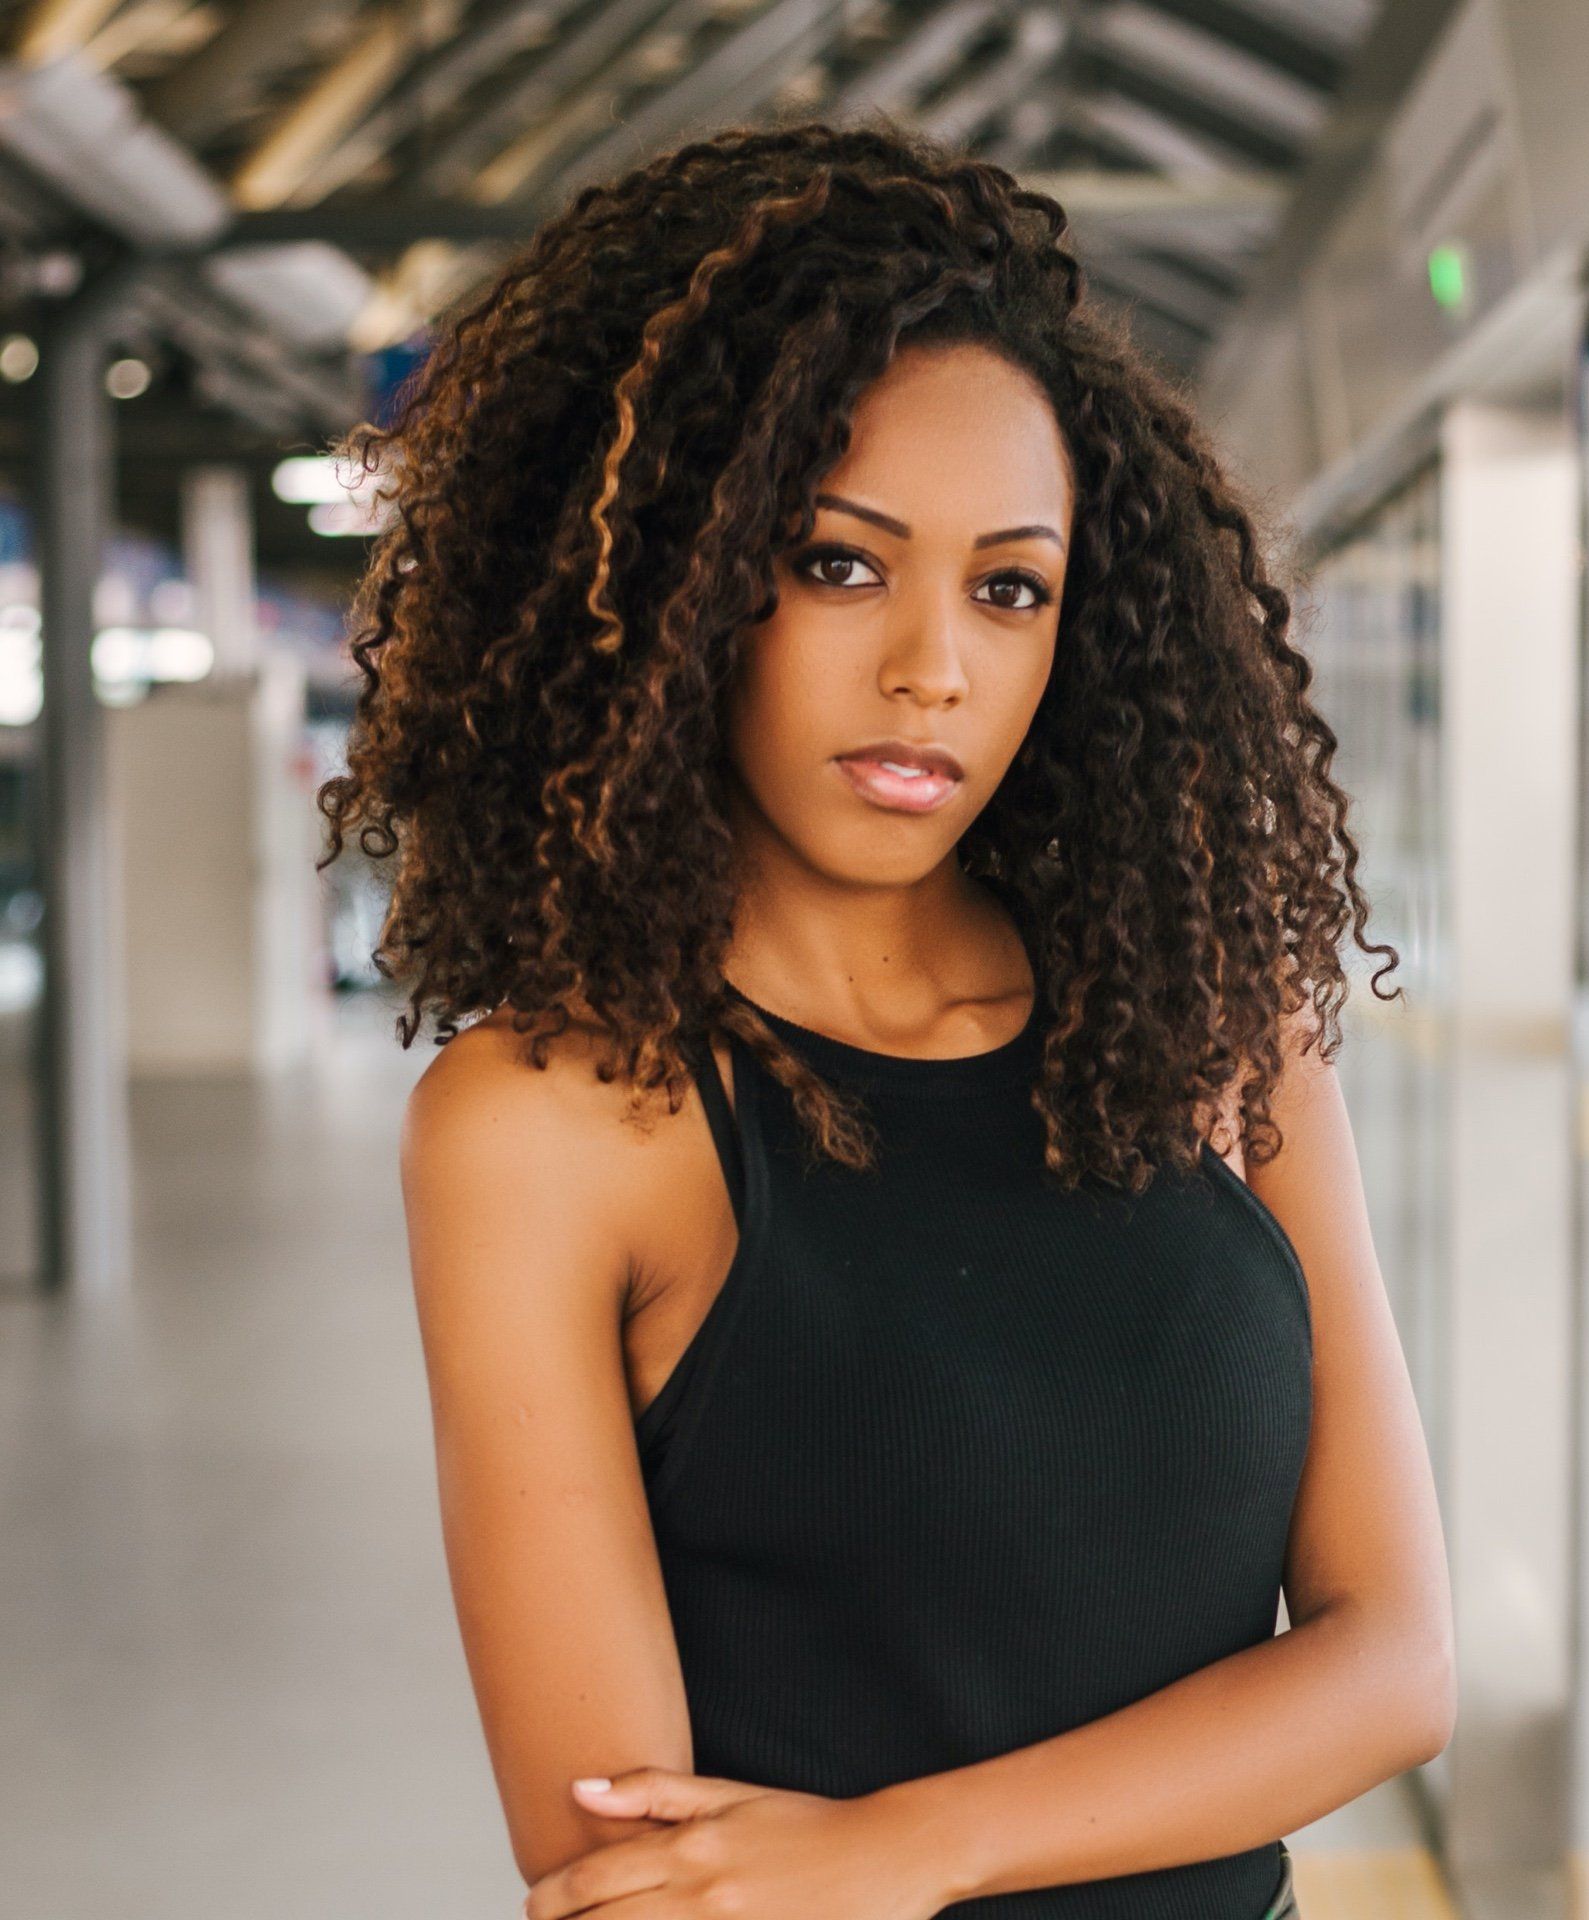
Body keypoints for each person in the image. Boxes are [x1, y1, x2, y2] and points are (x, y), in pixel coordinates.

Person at [318, 118, 1453, 1920]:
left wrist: (904, 1851)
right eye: (842, 561)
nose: (934, 664)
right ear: (674, 588)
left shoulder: (1216, 1030)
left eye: (1010, 589)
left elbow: (1393, 1661)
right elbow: (634, 1878)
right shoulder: (555, 1120)